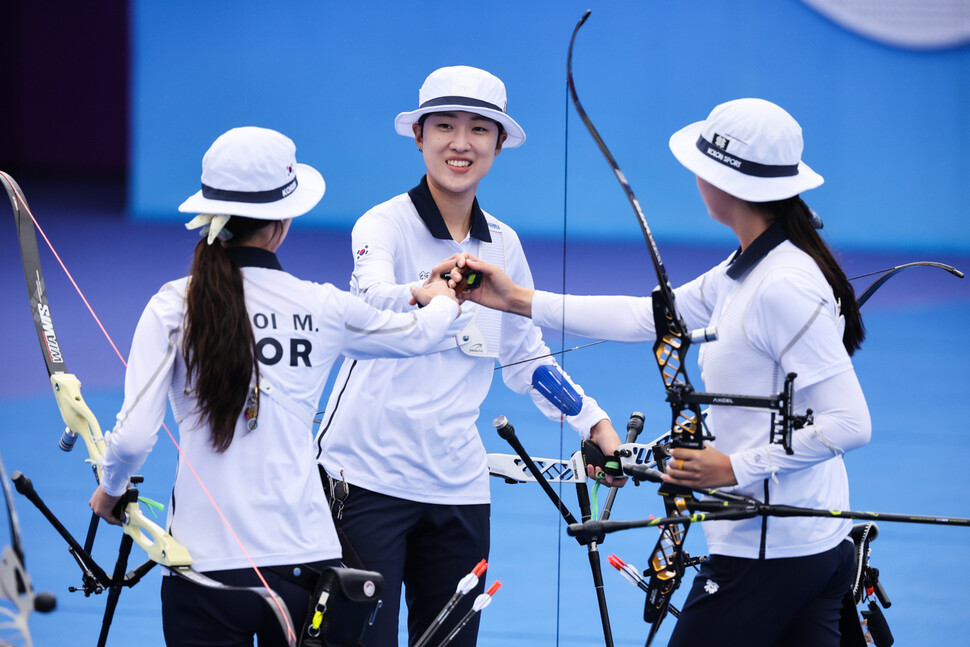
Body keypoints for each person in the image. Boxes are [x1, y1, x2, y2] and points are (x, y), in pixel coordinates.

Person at [460, 98, 872, 646]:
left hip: (769, 556)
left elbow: (849, 423)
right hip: (804, 546)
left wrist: (733, 466)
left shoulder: (783, 284)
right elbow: (644, 315)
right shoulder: (745, 269)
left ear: (726, 183)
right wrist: (516, 299)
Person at [88, 126, 460, 646]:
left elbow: (130, 441)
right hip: (304, 565)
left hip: (203, 567)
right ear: (282, 223)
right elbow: (421, 335)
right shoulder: (320, 305)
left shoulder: (172, 304)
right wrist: (443, 294)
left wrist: (111, 489)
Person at [314, 65, 625, 646]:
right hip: (366, 482)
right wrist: (421, 292)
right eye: (446, 127)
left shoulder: (502, 244)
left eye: (479, 129)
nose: (461, 143)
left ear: (499, 143)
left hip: (458, 492)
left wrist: (596, 422)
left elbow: (527, 360)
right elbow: (368, 299)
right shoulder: (382, 225)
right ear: (420, 135)